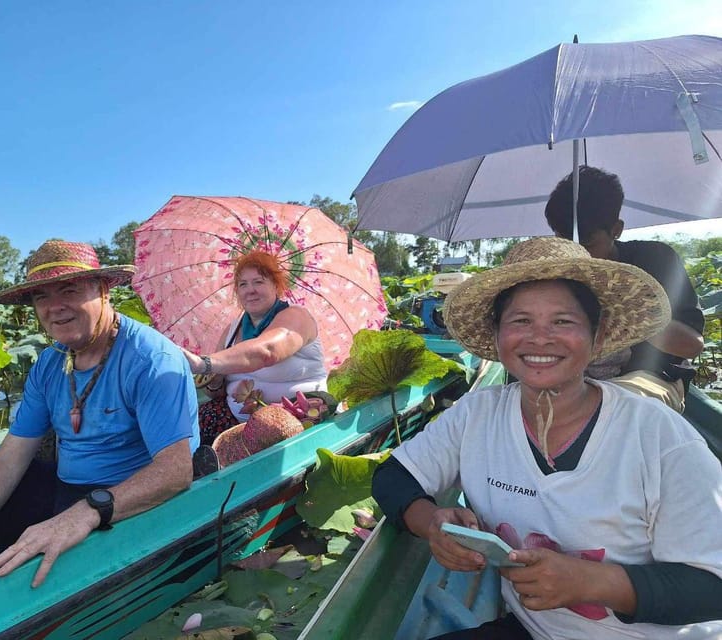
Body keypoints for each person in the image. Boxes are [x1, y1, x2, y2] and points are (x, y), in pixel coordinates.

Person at [373, 237, 722, 639]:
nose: (540, 339)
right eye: (521, 321)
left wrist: (591, 582)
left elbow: (712, 587)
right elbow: (393, 477)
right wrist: (433, 523)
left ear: (597, 334)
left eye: (563, 322)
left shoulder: (658, 437)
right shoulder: (478, 415)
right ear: (499, 335)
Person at [0, 240, 199, 603]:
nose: (55, 307)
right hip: (65, 489)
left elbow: (176, 470)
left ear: (103, 291)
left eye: (70, 289)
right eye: (41, 297)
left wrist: (85, 514)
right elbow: (10, 458)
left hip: (128, 503)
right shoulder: (49, 363)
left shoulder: (151, 359)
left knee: (47, 573)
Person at [544, 166, 705, 412]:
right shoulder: (554, 274)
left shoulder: (656, 260)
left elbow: (691, 345)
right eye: (562, 240)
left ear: (616, 230)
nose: (576, 252)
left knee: (612, 408)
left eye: (587, 242)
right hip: (574, 381)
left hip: (652, 380)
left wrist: (621, 306)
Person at [181, 250, 327, 445]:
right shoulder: (233, 329)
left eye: (258, 282)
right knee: (190, 429)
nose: (250, 290)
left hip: (295, 422)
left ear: (276, 286)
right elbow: (214, 391)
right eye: (243, 284)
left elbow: (267, 352)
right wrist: (215, 381)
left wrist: (204, 363)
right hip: (239, 422)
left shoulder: (296, 316)